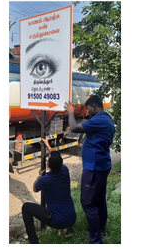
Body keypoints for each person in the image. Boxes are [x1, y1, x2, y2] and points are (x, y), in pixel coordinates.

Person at [64, 95, 115, 244]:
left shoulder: (99, 120)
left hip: (94, 168)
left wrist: (70, 112)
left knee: (87, 202)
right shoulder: (107, 120)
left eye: (88, 109)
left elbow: (74, 128)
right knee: (98, 199)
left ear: (94, 107)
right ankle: (100, 228)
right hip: (102, 165)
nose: (87, 112)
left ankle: (96, 241)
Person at [21, 137, 76, 244]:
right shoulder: (64, 170)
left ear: (49, 165)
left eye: (48, 160)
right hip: (71, 217)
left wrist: (39, 176)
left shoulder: (44, 180)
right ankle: (67, 230)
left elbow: (35, 188)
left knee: (26, 207)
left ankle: (33, 242)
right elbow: (55, 158)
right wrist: (48, 145)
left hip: (57, 220)